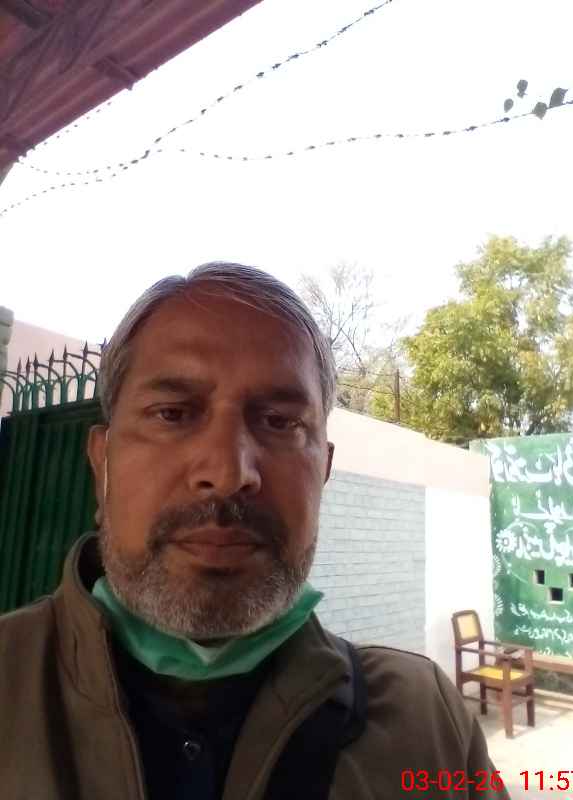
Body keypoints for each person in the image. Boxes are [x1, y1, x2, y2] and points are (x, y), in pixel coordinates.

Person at [0, 263, 509, 800]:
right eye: (172, 414)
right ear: (102, 463)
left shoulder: (429, 729)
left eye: (280, 421)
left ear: (324, 470)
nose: (228, 473)